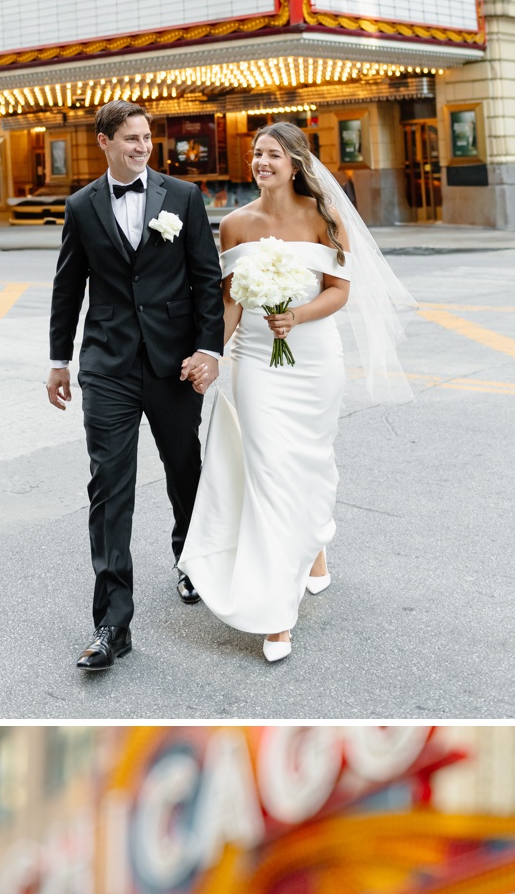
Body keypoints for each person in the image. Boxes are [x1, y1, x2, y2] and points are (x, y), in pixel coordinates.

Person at [178, 121, 415, 664]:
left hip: (314, 360)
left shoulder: (325, 218)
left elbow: (339, 290)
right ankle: (276, 614)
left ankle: (314, 548)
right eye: (256, 154)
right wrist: (211, 354)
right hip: (256, 364)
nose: (261, 162)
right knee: (269, 475)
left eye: (272, 155)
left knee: (309, 463)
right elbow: (232, 302)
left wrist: (296, 315)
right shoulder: (235, 225)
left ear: (296, 163)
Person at [46, 104, 225, 672]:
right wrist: (59, 361)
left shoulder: (184, 197)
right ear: (104, 142)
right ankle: (112, 624)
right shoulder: (81, 206)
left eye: (147, 138)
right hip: (108, 366)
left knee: (184, 469)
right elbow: (67, 288)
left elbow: (205, 279)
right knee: (109, 489)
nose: (142, 147)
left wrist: (208, 349)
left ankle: (190, 561)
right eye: (129, 139)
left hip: (174, 364)